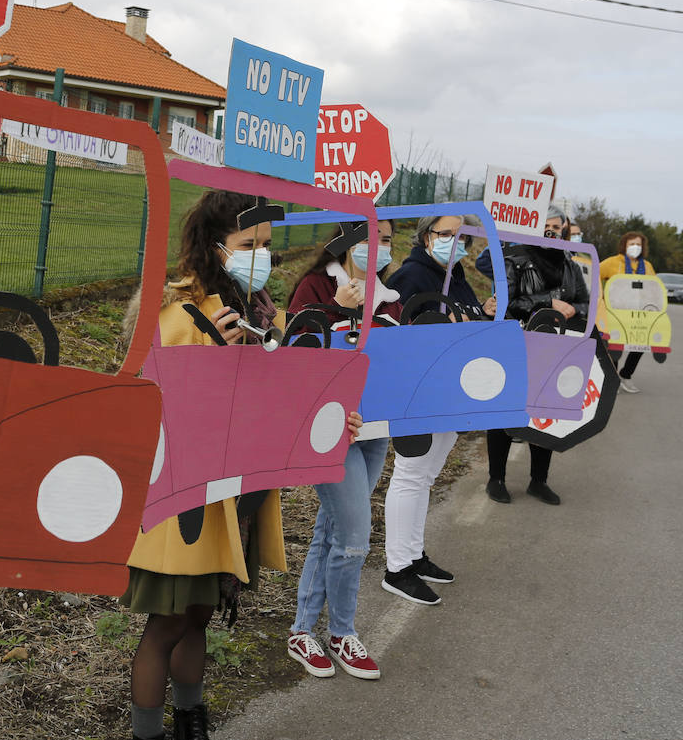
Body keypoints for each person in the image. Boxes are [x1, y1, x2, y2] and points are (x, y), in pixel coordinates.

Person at [121, 191, 348, 740]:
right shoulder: (177, 313)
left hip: (236, 493)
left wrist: (336, 415)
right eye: (250, 245)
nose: (261, 256)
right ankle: (146, 733)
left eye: (267, 245)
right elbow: (153, 406)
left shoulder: (262, 313)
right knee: (167, 623)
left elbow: (276, 399)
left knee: (199, 615)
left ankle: (190, 721)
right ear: (215, 247)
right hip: (187, 499)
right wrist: (213, 355)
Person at [284, 221, 401, 680]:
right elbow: (296, 353)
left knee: (331, 527)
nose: (381, 247)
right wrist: (336, 309)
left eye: (388, 238)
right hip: (329, 427)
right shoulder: (315, 286)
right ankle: (342, 633)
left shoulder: (388, 297)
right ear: (346, 241)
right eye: (372, 237)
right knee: (354, 536)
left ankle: (301, 630)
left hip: (375, 426)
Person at [378, 213, 481, 606]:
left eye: (461, 237)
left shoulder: (456, 278)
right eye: (445, 234)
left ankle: (413, 555)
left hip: (449, 393)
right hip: (418, 393)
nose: (454, 243)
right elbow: (397, 334)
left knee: (425, 477)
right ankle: (397, 568)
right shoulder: (410, 277)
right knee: (410, 474)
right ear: (425, 238)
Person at [482, 207, 589, 506]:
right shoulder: (514, 258)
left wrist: (571, 309)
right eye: (545, 226)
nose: (551, 232)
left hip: (554, 347)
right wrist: (547, 302)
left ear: (565, 228)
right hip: (515, 343)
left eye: (556, 226)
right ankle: (496, 479)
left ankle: (538, 481)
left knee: (547, 410)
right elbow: (506, 303)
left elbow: (584, 303)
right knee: (506, 408)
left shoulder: (570, 263)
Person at [600, 230, 655, 394]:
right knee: (615, 347)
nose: (635, 247)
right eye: (632, 244)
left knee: (640, 345)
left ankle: (626, 375)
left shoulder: (647, 266)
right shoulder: (612, 262)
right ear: (624, 245)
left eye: (638, 244)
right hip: (615, 313)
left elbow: (653, 287)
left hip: (639, 314)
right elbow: (596, 274)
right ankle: (613, 378)